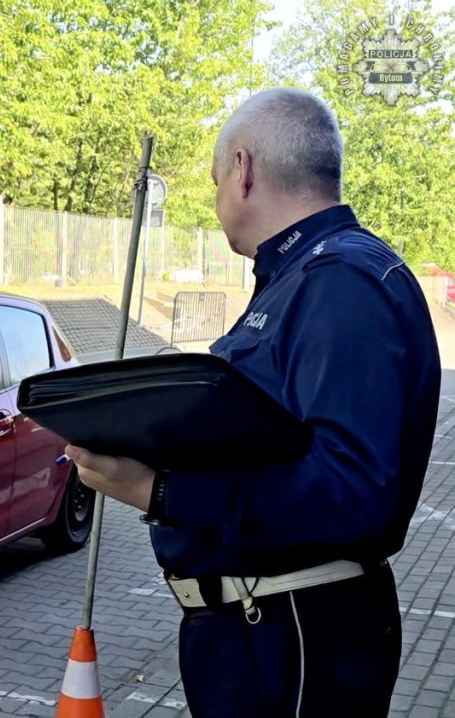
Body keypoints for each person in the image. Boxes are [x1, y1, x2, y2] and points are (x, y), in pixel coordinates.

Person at [65, 87, 441, 717]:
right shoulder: (303, 282)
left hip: (292, 639)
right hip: (264, 635)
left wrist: (162, 491)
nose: (217, 204)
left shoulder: (340, 284)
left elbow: (351, 490)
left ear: (242, 169)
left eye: (215, 181)